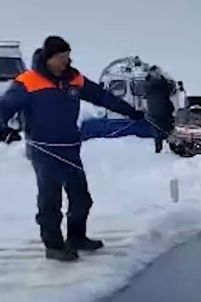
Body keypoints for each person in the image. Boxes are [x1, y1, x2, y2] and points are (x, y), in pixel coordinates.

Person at [0, 36, 144, 262]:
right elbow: (3, 108)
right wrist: (4, 131)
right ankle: (54, 246)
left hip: (69, 148)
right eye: (60, 58)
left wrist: (129, 111)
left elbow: (100, 95)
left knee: (81, 198)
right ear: (48, 58)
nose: (65, 62)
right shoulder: (27, 81)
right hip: (43, 149)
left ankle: (76, 237)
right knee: (50, 200)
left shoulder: (73, 79)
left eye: (67, 57)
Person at [144, 65, 176, 153]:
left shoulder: (147, 84)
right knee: (170, 129)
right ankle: (172, 148)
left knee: (157, 132)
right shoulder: (160, 84)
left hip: (153, 112)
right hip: (163, 110)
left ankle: (158, 149)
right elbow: (169, 90)